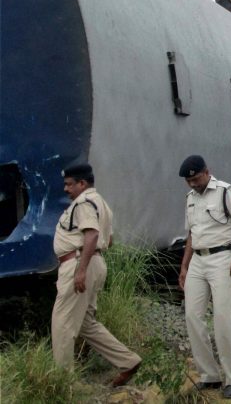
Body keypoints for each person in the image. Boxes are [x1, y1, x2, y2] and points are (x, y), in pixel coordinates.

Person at [50, 164, 142, 386]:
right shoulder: (101, 203)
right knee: (85, 324)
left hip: (79, 263)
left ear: (82, 184)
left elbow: (91, 235)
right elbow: (108, 240)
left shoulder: (83, 203)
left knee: (62, 322)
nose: (66, 189)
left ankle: (62, 383)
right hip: (93, 262)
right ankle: (127, 361)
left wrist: (81, 269)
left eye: (69, 184)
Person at [177, 155, 231, 399]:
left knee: (222, 316)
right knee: (192, 316)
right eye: (189, 181)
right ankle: (209, 375)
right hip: (197, 259)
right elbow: (191, 235)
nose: (193, 184)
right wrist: (184, 266)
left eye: (196, 179)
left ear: (207, 172)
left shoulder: (224, 191)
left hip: (222, 258)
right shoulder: (190, 198)